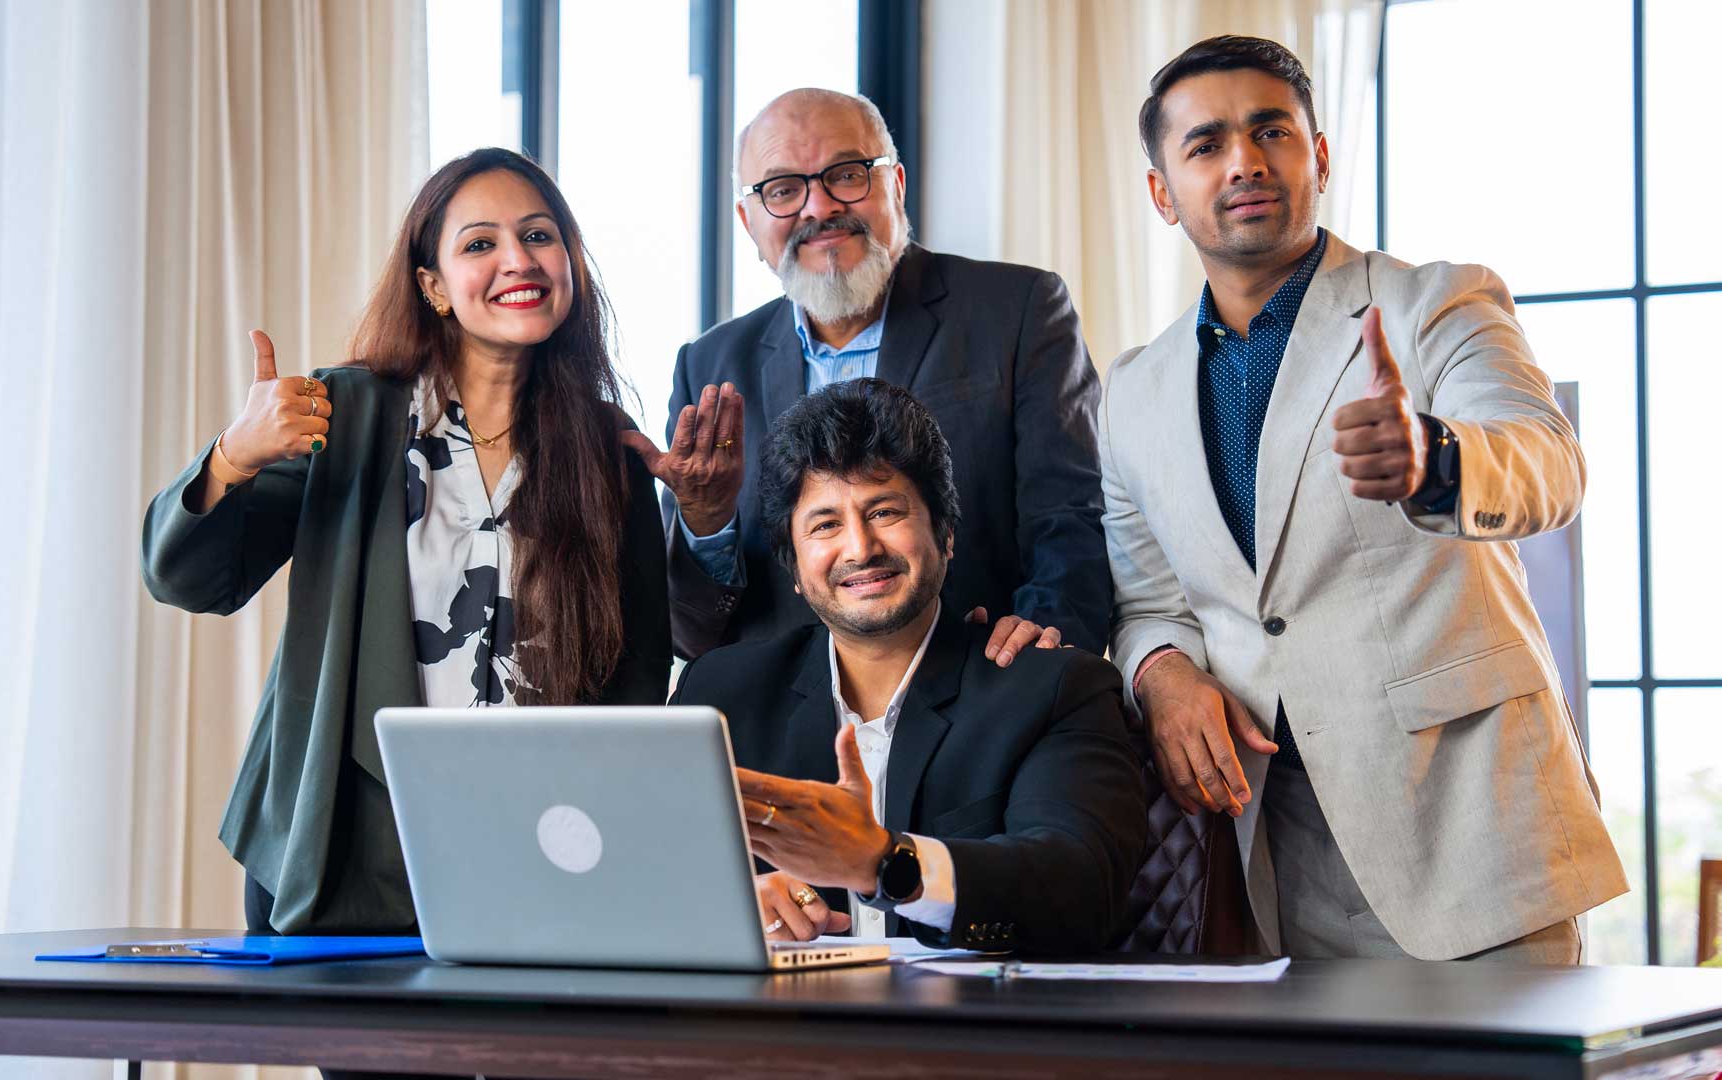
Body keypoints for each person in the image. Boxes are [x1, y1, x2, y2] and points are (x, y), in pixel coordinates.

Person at [1102, 36, 1626, 963]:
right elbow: (1150, 603)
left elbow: (1549, 463)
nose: (1245, 162)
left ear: (1320, 155)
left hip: (1474, 832)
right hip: (1280, 851)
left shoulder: (1436, 304)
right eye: (1206, 144)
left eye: (1273, 131)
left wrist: (1434, 461)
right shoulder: (1134, 394)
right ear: (1161, 192)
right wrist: (1162, 672)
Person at [143, 147, 671, 942]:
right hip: (348, 854)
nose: (518, 261)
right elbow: (184, 578)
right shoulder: (348, 412)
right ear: (433, 287)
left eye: (539, 235)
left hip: (535, 860)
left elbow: (636, 678)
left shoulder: (607, 446)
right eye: (480, 244)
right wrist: (234, 455)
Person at [623, 88, 1111, 664]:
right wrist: (706, 524)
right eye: (782, 190)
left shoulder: (1018, 308)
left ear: (896, 185)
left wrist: (1040, 657)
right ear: (747, 220)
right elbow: (689, 633)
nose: (819, 208)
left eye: (847, 175)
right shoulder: (708, 365)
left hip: (980, 700)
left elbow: (1071, 516)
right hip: (781, 729)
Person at [670, 378, 1149, 952]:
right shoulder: (723, 696)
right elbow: (653, 870)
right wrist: (728, 902)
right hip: (781, 1033)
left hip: (975, 1032)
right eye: (825, 524)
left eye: (885, 511)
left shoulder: (1051, 686)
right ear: (794, 568)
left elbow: (1082, 887)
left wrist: (887, 863)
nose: (860, 548)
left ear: (945, 534)